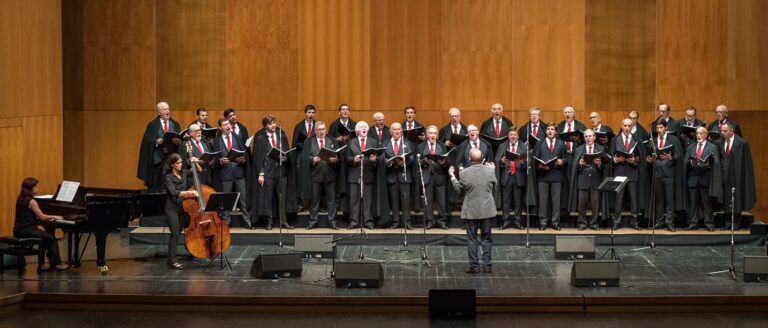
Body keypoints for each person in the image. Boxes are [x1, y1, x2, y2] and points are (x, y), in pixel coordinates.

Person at [448, 149, 498, 274]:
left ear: (469, 159)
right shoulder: (490, 171)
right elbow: (495, 187)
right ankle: (487, 266)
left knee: (472, 239)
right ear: (482, 158)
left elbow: (459, 189)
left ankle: (474, 266)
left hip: (471, 211)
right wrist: (493, 170)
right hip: (487, 210)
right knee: (487, 238)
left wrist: (453, 177)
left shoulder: (464, 173)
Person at [13, 178, 70, 272]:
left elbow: (28, 216)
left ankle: (42, 265)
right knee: (52, 239)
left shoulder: (20, 199)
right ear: (30, 188)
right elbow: (42, 217)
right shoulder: (31, 201)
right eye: (35, 186)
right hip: (27, 230)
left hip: (18, 230)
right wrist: (55, 216)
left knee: (44, 238)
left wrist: (48, 218)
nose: (37, 188)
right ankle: (58, 264)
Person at [252, 115, 294, 230]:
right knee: (268, 198)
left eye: (274, 123)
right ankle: (269, 221)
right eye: (270, 123)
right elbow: (258, 158)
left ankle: (283, 221)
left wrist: (286, 158)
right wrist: (261, 173)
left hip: (281, 171)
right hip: (268, 172)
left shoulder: (282, 136)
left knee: (282, 198)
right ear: (265, 126)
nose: (273, 125)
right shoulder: (260, 139)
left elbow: (288, 153)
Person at [299, 121, 341, 230]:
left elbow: (340, 157)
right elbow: (304, 157)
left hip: (330, 174)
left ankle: (333, 221)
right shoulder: (309, 142)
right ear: (315, 131)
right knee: (314, 199)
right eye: (320, 129)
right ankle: (313, 221)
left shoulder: (332, 140)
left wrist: (336, 159)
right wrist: (312, 159)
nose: (322, 131)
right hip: (315, 175)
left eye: (323, 129)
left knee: (331, 200)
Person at [608, 118, 648, 231]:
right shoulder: (615, 140)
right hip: (619, 172)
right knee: (618, 199)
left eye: (629, 126)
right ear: (621, 126)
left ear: (632, 127)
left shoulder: (637, 139)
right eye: (625, 125)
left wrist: (634, 160)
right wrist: (616, 160)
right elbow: (610, 157)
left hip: (632, 172)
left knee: (633, 199)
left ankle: (635, 221)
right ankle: (616, 221)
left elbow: (641, 157)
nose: (626, 128)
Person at [213, 117, 253, 228]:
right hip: (225, 173)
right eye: (225, 125)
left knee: (243, 198)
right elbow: (214, 158)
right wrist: (220, 161)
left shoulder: (237, 137)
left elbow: (244, 154)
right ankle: (226, 220)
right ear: (220, 128)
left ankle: (247, 219)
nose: (228, 126)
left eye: (228, 124)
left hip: (239, 172)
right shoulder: (217, 141)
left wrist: (243, 160)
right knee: (226, 198)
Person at [646, 120, 686, 232]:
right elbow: (649, 156)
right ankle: (660, 221)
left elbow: (678, 155)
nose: (659, 130)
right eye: (657, 128)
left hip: (669, 174)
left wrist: (671, 157)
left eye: (661, 128)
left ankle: (669, 222)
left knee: (670, 199)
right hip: (657, 173)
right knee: (659, 199)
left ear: (666, 127)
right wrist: (649, 160)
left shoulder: (673, 139)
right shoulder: (653, 141)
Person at [162, 154, 200, 269]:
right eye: (178, 163)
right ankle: (172, 261)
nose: (180, 165)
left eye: (181, 162)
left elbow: (198, 171)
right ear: (172, 164)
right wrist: (190, 193)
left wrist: (195, 162)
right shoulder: (168, 177)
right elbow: (173, 192)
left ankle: (190, 251)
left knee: (183, 231)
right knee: (175, 234)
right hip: (171, 209)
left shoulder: (183, 172)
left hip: (183, 208)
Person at [137, 101, 181, 192]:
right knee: (156, 185)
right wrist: (156, 142)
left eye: (168, 109)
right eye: (165, 109)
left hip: (171, 159)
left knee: (171, 184)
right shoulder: (152, 125)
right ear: (159, 112)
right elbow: (146, 142)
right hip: (157, 160)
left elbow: (179, 139)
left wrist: (177, 142)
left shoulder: (175, 124)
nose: (167, 111)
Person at [684, 127, 722, 231]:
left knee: (707, 203)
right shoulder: (691, 147)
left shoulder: (712, 147)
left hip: (706, 178)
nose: (698, 135)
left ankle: (709, 223)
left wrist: (709, 163)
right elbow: (685, 162)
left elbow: (717, 162)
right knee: (693, 203)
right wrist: (691, 162)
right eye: (697, 133)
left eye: (701, 133)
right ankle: (693, 222)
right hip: (693, 179)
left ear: (706, 135)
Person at [718, 122, 755, 230]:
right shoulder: (720, 142)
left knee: (736, 199)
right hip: (724, 175)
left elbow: (745, 163)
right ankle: (727, 222)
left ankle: (736, 223)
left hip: (736, 176)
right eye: (722, 131)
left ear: (731, 131)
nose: (722, 133)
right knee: (726, 199)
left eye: (725, 131)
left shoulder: (741, 143)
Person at [567, 129, 604, 230]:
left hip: (596, 179)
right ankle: (582, 223)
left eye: (590, 136)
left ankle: (594, 223)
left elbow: (604, 167)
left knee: (595, 205)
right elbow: (575, 167)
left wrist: (599, 164)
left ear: (594, 137)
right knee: (581, 204)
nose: (588, 138)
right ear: (584, 138)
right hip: (583, 179)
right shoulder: (579, 149)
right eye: (586, 136)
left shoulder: (600, 148)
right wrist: (580, 165)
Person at [533, 123, 567, 230]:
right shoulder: (540, 143)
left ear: (556, 132)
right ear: (546, 131)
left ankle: (555, 222)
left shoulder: (561, 143)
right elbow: (535, 159)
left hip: (557, 175)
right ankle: (543, 222)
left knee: (556, 200)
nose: (550, 131)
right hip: (543, 175)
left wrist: (562, 161)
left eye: (552, 129)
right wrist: (541, 166)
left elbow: (566, 158)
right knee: (543, 200)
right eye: (548, 129)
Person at [346, 121, 380, 230]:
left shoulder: (373, 142)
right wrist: (353, 160)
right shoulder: (351, 142)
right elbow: (346, 158)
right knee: (354, 200)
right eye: (361, 127)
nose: (364, 128)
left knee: (368, 200)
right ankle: (353, 221)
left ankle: (368, 221)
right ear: (357, 131)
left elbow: (378, 157)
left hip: (368, 174)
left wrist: (375, 160)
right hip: (354, 174)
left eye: (365, 126)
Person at [417, 125, 450, 230]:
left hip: (439, 176)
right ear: (427, 135)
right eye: (430, 133)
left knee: (441, 200)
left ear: (437, 135)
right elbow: (416, 163)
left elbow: (447, 162)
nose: (433, 135)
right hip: (427, 177)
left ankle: (441, 221)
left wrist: (444, 162)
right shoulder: (421, 146)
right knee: (428, 201)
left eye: (434, 133)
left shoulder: (442, 146)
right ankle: (429, 221)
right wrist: (424, 162)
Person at [383, 123, 414, 229]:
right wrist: (389, 162)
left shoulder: (406, 143)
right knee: (394, 200)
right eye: (395, 129)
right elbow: (383, 158)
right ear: (391, 131)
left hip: (404, 175)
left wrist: (405, 162)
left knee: (405, 200)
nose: (397, 131)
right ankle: (396, 221)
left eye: (399, 129)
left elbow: (412, 158)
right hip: (391, 175)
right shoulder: (386, 143)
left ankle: (407, 222)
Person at [495, 128, 527, 230]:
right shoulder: (503, 146)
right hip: (506, 176)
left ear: (518, 136)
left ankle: (518, 221)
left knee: (518, 202)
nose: (513, 136)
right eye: (511, 135)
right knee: (506, 201)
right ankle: (505, 221)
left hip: (519, 176)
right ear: (508, 136)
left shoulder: (523, 146)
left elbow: (529, 161)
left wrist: (523, 163)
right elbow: (497, 160)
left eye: (515, 135)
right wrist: (501, 161)